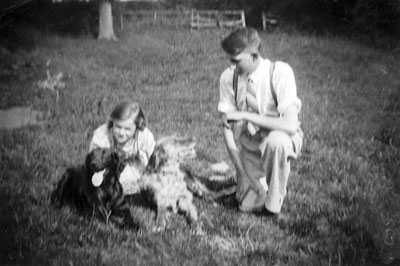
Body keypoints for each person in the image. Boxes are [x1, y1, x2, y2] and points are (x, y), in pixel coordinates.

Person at [218, 27, 303, 215]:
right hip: (249, 143)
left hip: (280, 139)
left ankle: (273, 205)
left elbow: (290, 125)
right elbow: (227, 127)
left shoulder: (279, 72)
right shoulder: (228, 78)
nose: (232, 66)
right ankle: (255, 182)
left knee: (276, 141)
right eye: (230, 60)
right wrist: (240, 172)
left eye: (236, 61)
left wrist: (245, 115)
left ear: (254, 56)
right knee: (245, 206)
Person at [89, 100, 156, 195]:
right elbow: (94, 160)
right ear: (112, 122)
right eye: (118, 127)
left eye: (127, 129)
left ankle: (136, 188)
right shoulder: (102, 135)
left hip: (133, 166)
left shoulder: (144, 136)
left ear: (137, 126)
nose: (121, 133)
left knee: (143, 182)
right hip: (109, 168)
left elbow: (155, 159)